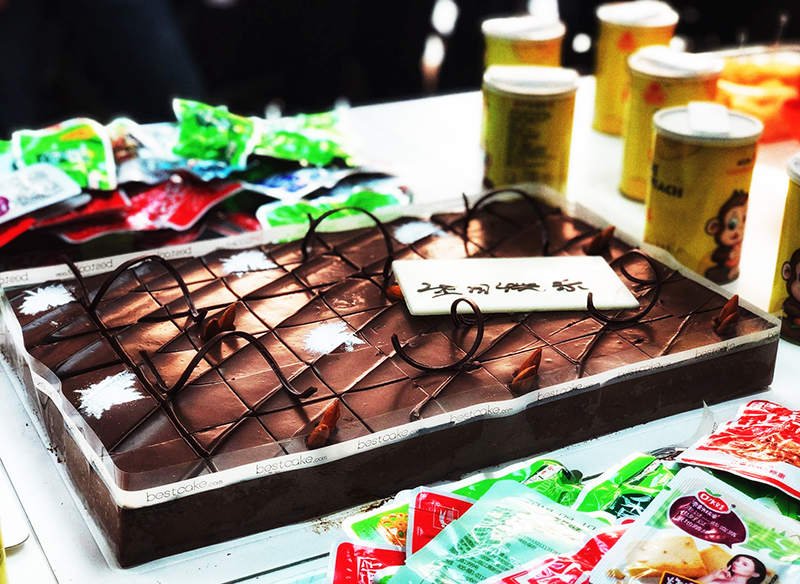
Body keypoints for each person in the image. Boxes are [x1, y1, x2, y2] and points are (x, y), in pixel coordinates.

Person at [699, 554, 767, 584]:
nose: (736, 563)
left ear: (755, 574)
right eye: (737, 560)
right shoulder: (719, 576)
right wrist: (712, 576)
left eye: (744, 564)